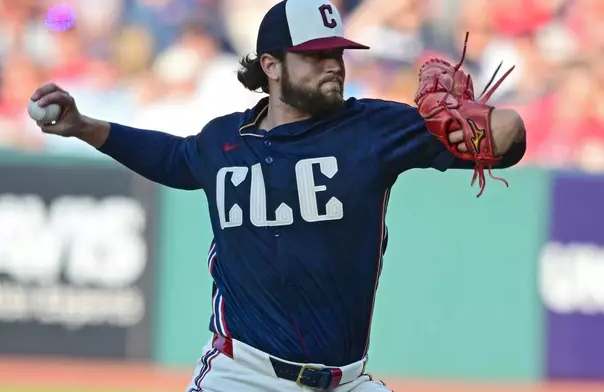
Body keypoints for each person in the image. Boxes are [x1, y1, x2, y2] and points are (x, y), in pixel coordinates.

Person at [30, 0, 526, 391]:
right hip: (241, 376)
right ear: (270, 64)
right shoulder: (223, 141)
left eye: (337, 54)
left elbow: (507, 140)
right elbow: (174, 159)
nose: (333, 66)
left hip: (345, 381)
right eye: (315, 56)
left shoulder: (373, 128)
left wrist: (486, 120)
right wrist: (83, 126)